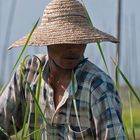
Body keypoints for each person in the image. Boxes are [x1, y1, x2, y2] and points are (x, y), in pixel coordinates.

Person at [0, 0, 125, 139]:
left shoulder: (97, 86)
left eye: (79, 39)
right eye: (64, 40)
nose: (73, 48)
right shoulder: (29, 72)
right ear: (47, 41)